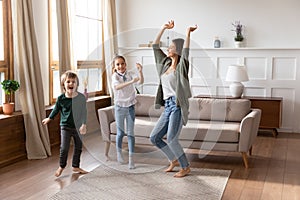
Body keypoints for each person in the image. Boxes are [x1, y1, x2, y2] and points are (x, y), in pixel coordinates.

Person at [150, 20, 197, 178]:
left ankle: (185, 166)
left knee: (171, 138)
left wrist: (188, 32)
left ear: (177, 50)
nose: (168, 48)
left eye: (170, 47)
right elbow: (155, 46)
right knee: (155, 137)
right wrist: (163, 27)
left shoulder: (182, 66)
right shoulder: (164, 63)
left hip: (177, 105)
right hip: (167, 106)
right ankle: (173, 160)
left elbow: (187, 51)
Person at [42, 70, 88, 177]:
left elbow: (84, 112)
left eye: (73, 82)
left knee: (79, 147)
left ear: (77, 84)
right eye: (68, 82)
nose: (71, 84)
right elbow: (56, 110)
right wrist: (49, 118)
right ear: (64, 84)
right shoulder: (61, 99)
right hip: (65, 127)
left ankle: (75, 166)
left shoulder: (81, 98)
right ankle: (61, 166)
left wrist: (83, 124)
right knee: (64, 148)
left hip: (77, 127)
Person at [112, 55, 144, 169]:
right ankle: (119, 154)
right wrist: (131, 82)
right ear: (115, 67)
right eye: (118, 64)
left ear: (125, 64)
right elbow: (117, 87)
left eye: (122, 64)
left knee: (130, 133)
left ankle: (131, 159)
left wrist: (140, 72)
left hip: (130, 107)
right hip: (120, 107)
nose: (120, 66)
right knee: (120, 133)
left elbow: (140, 82)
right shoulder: (115, 76)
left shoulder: (130, 74)